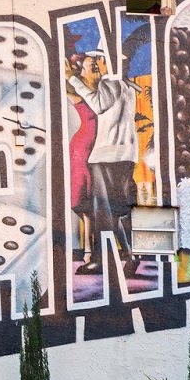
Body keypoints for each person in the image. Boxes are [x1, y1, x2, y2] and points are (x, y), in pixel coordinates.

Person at [66, 51, 139, 274]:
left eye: (102, 60)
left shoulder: (110, 83)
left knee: (103, 214)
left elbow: (98, 105)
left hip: (106, 156)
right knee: (118, 211)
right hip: (126, 155)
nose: (99, 63)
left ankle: (102, 260)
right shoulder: (127, 86)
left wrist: (72, 78)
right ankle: (129, 255)